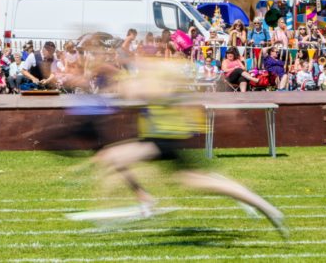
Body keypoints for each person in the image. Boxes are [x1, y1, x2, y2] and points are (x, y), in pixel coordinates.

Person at [79, 58, 287, 238]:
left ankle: (135, 206)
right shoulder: (158, 81)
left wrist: (116, 82)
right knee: (197, 181)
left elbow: (140, 93)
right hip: (161, 139)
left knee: (114, 158)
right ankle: (263, 206)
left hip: (162, 140)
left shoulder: (158, 83)